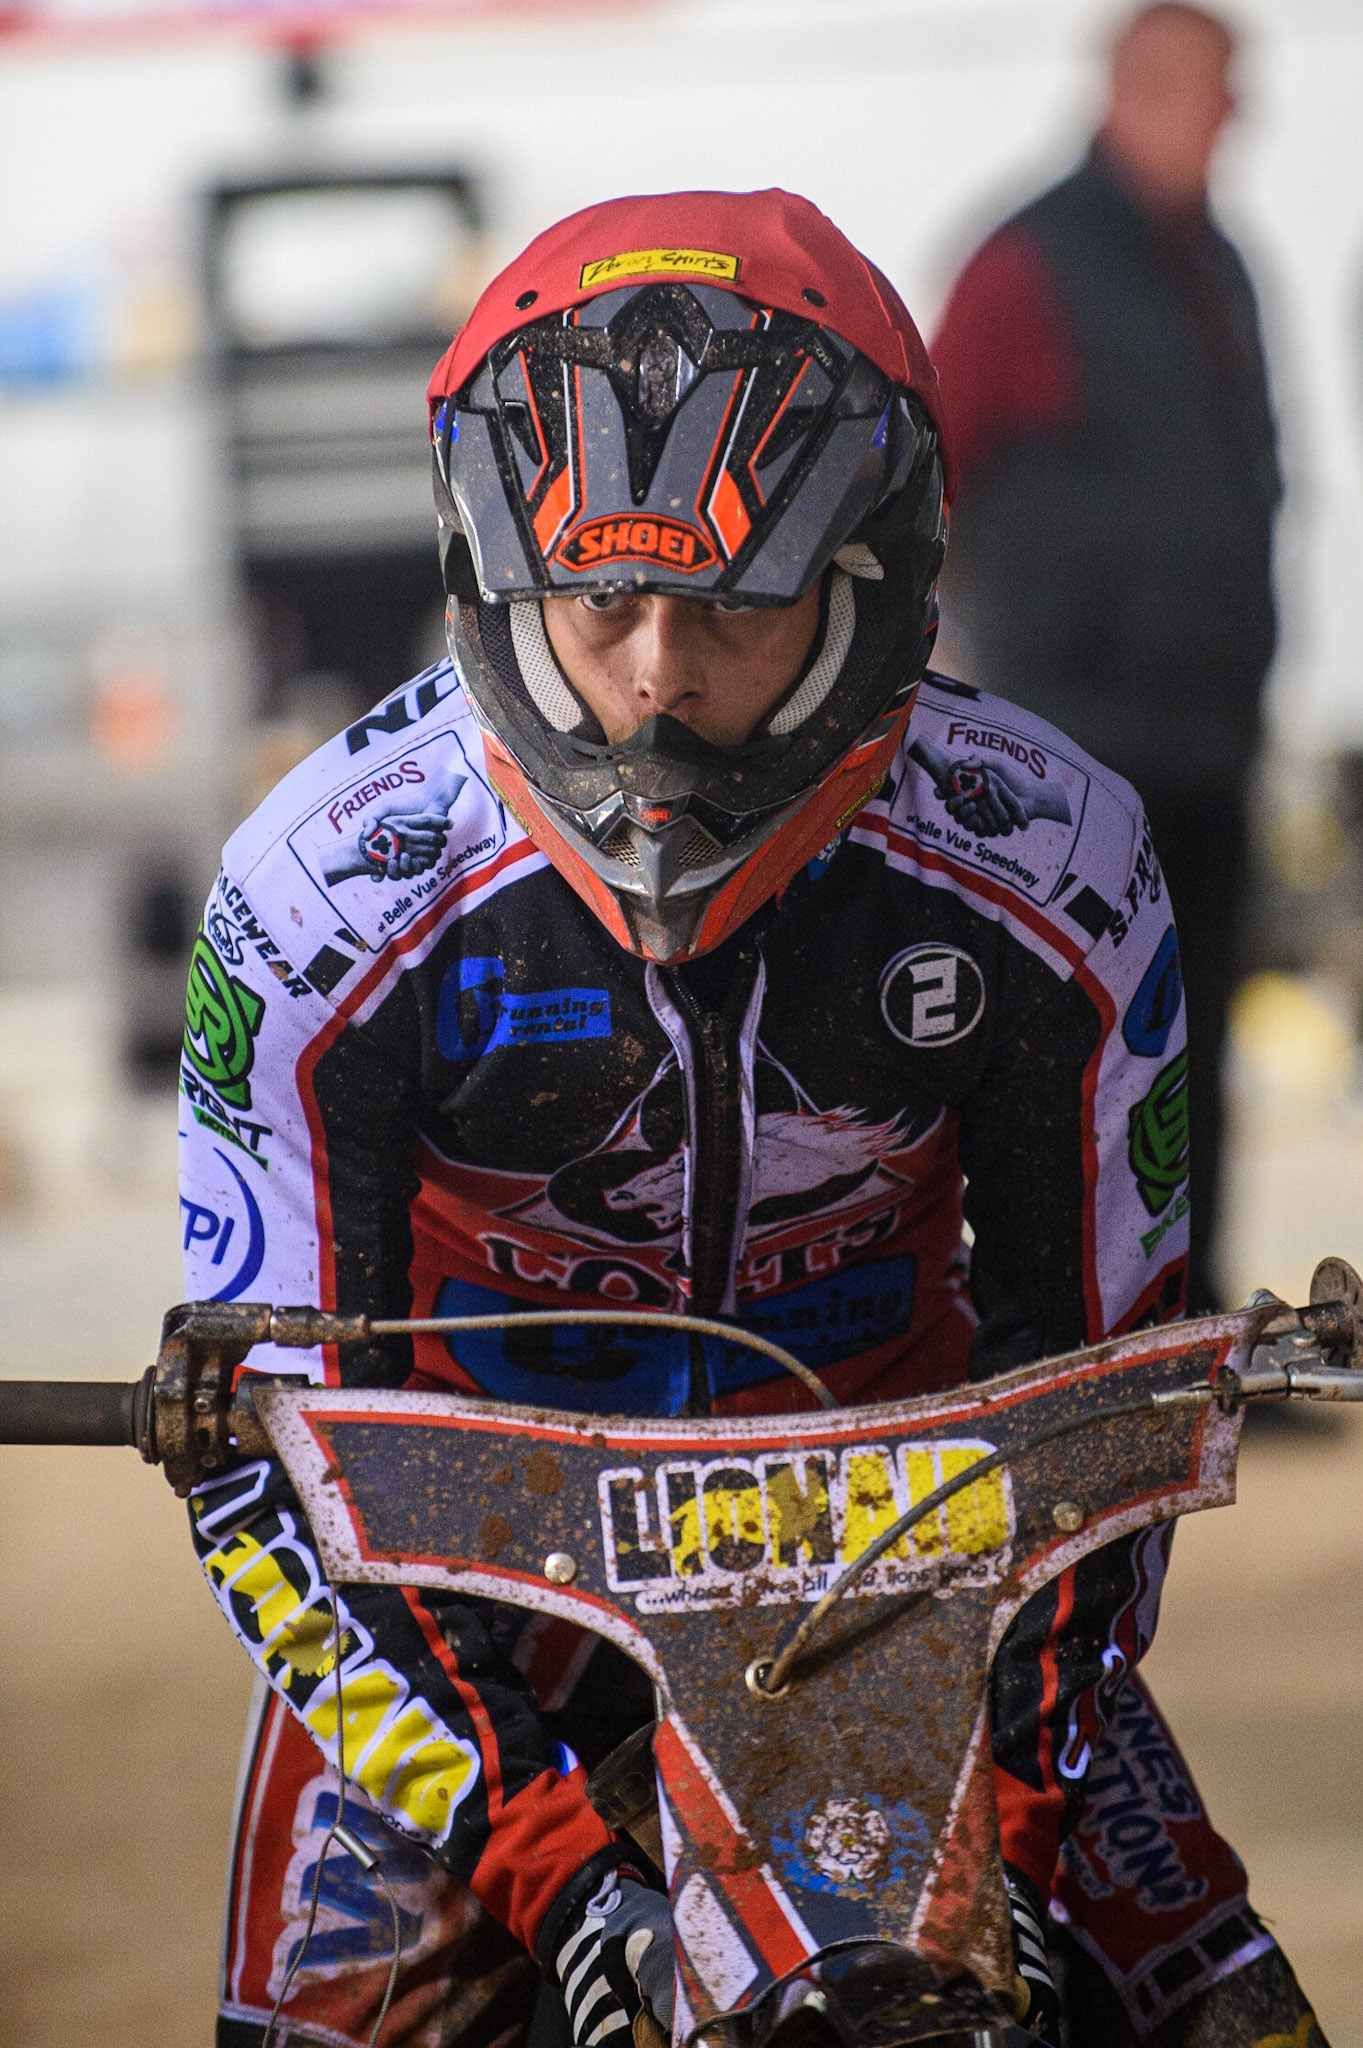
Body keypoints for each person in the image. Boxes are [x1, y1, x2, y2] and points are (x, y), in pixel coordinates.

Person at [180, 188, 1318, 2048]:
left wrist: (1010, 1813)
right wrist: (548, 1861)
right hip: (470, 1608)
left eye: (730, 601)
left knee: (1229, 2017)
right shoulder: (321, 896)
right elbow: (268, 1458)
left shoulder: (1060, 865)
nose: (651, 675)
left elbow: (1116, 1398)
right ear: (495, 577)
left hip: (920, 1577)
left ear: (875, 580)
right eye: (597, 597)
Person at [930, 3, 1281, 1314]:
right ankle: (1072, 1339)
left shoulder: (1221, 263)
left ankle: (1198, 1331)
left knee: (1200, 1057)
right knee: (1071, 1063)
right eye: (1216, 91)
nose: (1237, 118)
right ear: (1140, 91)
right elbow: (928, 479)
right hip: (1071, 756)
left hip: (1205, 735)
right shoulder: (1024, 264)